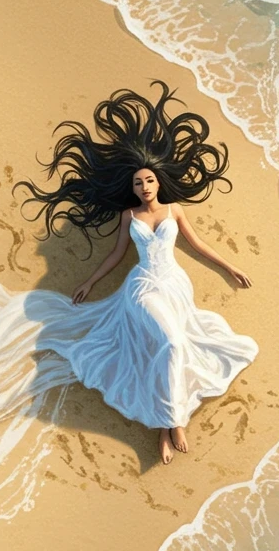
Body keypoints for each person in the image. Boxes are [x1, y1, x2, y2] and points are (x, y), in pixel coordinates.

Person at [14, 80, 258, 464]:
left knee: (167, 347)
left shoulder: (175, 208)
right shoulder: (129, 215)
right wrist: (92, 281)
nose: (143, 187)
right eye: (137, 183)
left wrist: (230, 267)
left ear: (158, 181)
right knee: (173, 344)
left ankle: (165, 424)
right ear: (133, 189)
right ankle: (174, 421)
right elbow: (116, 255)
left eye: (148, 180)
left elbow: (196, 245)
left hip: (176, 285)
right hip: (143, 287)